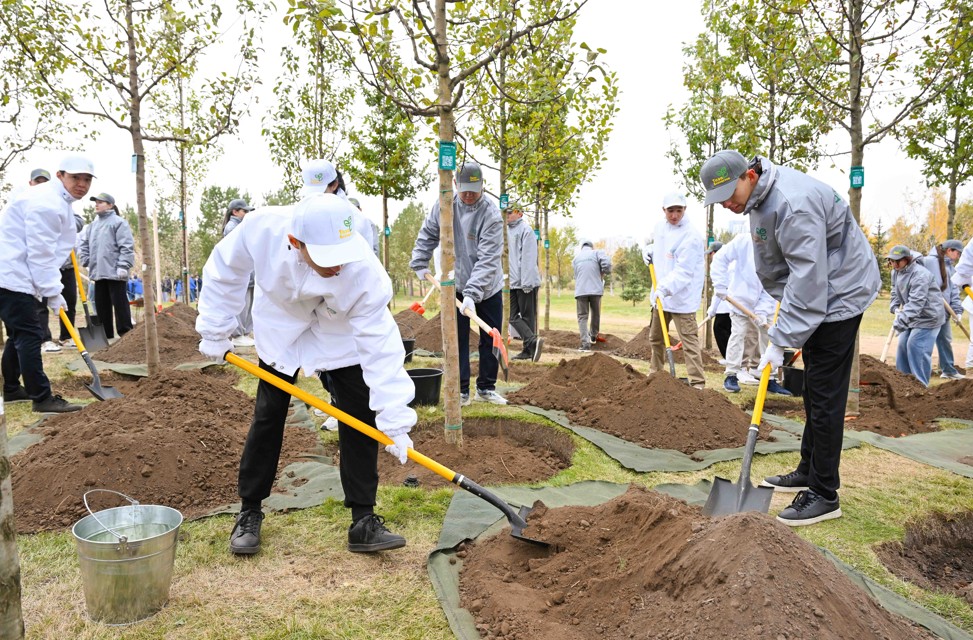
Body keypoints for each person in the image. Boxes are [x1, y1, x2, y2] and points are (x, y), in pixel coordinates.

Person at [196, 195, 415, 555]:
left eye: (341, 255)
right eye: (328, 258)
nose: (338, 267)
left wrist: (395, 419)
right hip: (280, 327)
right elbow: (225, 270)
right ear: (296, 243)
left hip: (338, 331)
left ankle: (363, 520)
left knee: (358, 413)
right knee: (269, 414)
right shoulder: (261, 228)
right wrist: (216, 330)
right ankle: (250, 511)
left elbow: (381, 345)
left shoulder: (362, 272)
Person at [700, 149, 880, 526]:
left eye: (729, 194)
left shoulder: (793, 205)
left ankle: (824, 493)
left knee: (826, 392)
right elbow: (785, 269)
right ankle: (808, 468)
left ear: (749, 175)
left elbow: (809, 280)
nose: (728, 205)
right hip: (818, 291)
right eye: (719, 201)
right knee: (814, 387)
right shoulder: (758, 199)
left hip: (841, 293)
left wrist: (780, 341)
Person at [0, 155, 96, 413]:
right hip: (12, 276)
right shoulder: (47, 203)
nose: (82, 185)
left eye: (87, 179)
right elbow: (40, 254)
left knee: (18, 334)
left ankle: (10, 389)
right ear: (60, 175)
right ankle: (42, 398)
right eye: (76, 178)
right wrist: (53, 292)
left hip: (13, 274)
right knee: (31, 334)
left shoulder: (54, 199)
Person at [411, 161, 507, 405]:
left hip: (488, 286)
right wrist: (420, 262)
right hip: (455, 283)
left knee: (490, 336)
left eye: (473, 191)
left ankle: (486, 387)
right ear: (454, 184)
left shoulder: (491, 215)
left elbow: (487, 260)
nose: (468, 195)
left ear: (482, 187)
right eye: (464, 189)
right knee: (457, 338)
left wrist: (473, 295)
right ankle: (462, 390)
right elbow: (428, 233)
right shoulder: (445, 205)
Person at [709, 232, 792, 395]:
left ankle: (769, 378)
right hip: (739, 298)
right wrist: (720, 285)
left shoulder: (778, 249)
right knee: (738, 334)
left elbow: (773, 283)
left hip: (766, 299)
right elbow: (720, 259)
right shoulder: (742, 241)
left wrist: (761, 310)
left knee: (769, 336)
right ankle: (731, 375)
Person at [646, 191, 706, 389]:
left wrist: (664, 289)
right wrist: (649, 252)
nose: (674, 215)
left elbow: (684, 273)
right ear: (663, 210)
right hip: (661, 297)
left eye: (678, 210)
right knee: (656, 338)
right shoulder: (659, 228)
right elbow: (661, 253)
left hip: (682, 298)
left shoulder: (691, 237)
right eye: (670, 211)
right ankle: (655, 375)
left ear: (685, 210)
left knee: (689, 342)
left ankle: (697, 383)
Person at [79, 192, 135, 339]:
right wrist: (86, 260)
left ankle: (125, 334)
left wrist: (124, 265)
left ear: (110, 205)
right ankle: (106, 335)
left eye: (100, 202)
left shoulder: (119, 223)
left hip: (116, 272)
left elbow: (127, 246)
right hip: (98, 272)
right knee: (102, 306)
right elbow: (84, 244)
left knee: (120, 304)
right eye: (96, 202)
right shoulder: (92, 225)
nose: (96, 204)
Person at [887, 245, 944, 387]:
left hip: (929, 317)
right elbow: (895, 291)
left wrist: (900, 322)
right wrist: (895, 308)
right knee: (902, 345)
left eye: (897, 261)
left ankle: (920, 386)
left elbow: (916, 304)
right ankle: (902, 384)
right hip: (911, 315)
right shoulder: (896, 272)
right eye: (891, 261)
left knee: (915, 345)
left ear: (907, 259)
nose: (894, 264)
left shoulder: (921, 275)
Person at [506, 202, 544, 361]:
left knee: (528, 317)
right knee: (512, 316)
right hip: (511, 282)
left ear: (520, 213)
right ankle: (532, 341)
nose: (507, 215)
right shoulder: (504, 231)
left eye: (510, 212)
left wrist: (527, 283)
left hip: (525, 282)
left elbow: (528, 258)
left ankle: (528, 350)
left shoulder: (526, 231)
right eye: (505, 212)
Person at [922, 240, 965, 379]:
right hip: (929, 311)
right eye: (958, 253)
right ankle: (923, 371)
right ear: (949, 250)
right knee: (925, 341)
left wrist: (957, 311)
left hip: (944, 312)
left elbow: (954, 291)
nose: (958, 256)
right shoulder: (928, 261)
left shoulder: (951, 268)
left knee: (945, 339)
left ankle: (948, 370)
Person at [223, 198, 256, 346]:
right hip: (240, 274)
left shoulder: (242, 226)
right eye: (245, 211)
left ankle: (245, 333)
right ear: (235, 212)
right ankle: (237, 335)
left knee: (248, 305)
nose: (247, 213)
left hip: (249, 275)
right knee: (241, 306)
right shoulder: (232, 228)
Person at [572, 237, 611, 352]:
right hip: (595, 290)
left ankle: (585, 344)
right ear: (591, 246)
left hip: (581, 291)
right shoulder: (597, 253)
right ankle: (593, 336)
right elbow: (607, 264)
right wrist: (604, 271)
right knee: (595, 313)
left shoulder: (576, 258)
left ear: (582, 248)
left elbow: (576, 276)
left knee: (582, 317)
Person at [705, 241, 732, 359]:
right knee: (728, 331)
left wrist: (713, 308)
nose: (710, 256)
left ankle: (729, 357)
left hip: (726, 305)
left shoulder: (720, 264)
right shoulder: (729, 262)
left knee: (719, 329)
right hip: (727, 305)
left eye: (711, 253)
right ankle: (731, 357)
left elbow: (719, 288)